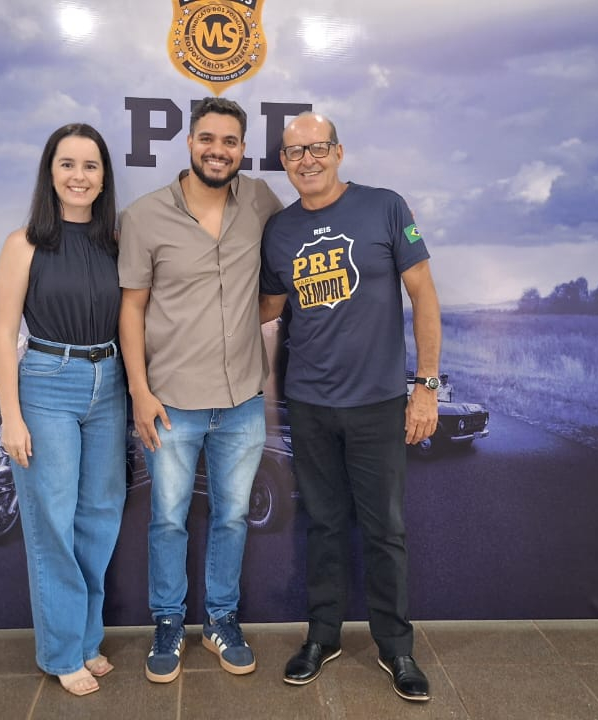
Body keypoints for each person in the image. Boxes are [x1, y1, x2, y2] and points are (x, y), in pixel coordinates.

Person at [259, 112, 441, 703]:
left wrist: (426, 385)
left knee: (385, 528)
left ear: (338, 152)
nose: (307, 160)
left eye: (317, 148)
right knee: (324, 523)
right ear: (283, 163)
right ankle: (323, 635)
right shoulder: (280, 229)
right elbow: (266, 307)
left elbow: (423, 293)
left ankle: (396, 646)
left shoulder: (384, 207)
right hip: (309, 403)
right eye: (294, 152)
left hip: (377, 402)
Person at [118, 97, 283, 683]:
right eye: (208, 139)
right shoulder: (144, 217)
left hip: (242, 402)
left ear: (243, 149)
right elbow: (131, 309)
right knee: (168, 519)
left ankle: (220, 620)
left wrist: (251, 317)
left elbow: (281, 274)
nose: (219, 150)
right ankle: (167, 621)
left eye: (230, 141)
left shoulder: (261, 201)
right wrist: (139, 391)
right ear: (189, 143)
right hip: (170, 403)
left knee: (232, 516)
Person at [0, 123, 125, 697]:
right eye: (67, 164)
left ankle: (87, 640)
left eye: (90, 166)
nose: (79, 176)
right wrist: (11, 416)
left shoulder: (115, 243)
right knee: (53, 521)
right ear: (50, 173)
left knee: (99, 516)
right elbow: (3, 336)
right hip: (48, 381)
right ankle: (61, 652)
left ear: (104, 178)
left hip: (110, 382)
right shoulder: (24, 244)